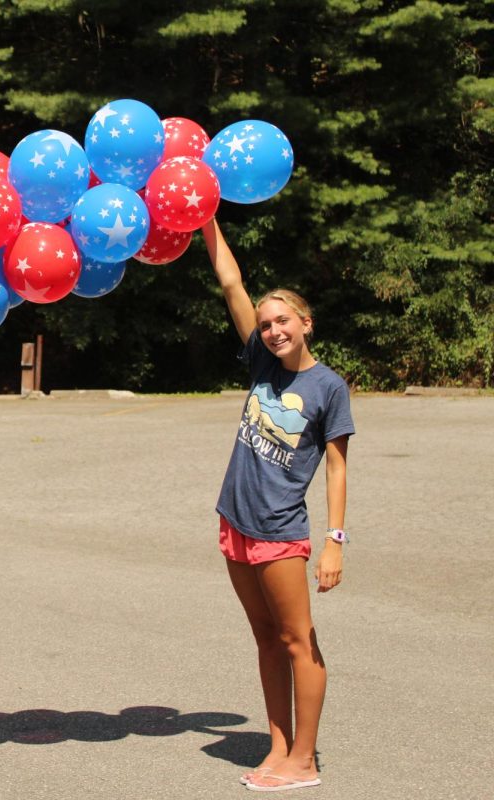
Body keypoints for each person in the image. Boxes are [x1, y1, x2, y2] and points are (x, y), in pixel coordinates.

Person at [202, 219, 354, 792]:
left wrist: (335, 543)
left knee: (297, 640)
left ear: (306, 323)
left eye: (282, 320)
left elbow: (337, 467)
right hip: (235, 522)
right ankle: (279, 746)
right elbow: (230, 282)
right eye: (265, 324)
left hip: (280, 529)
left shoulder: (328, 388)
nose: (271, 330)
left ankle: (306, 760)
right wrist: (205, 216)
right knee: (266, 640)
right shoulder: (262, 365)